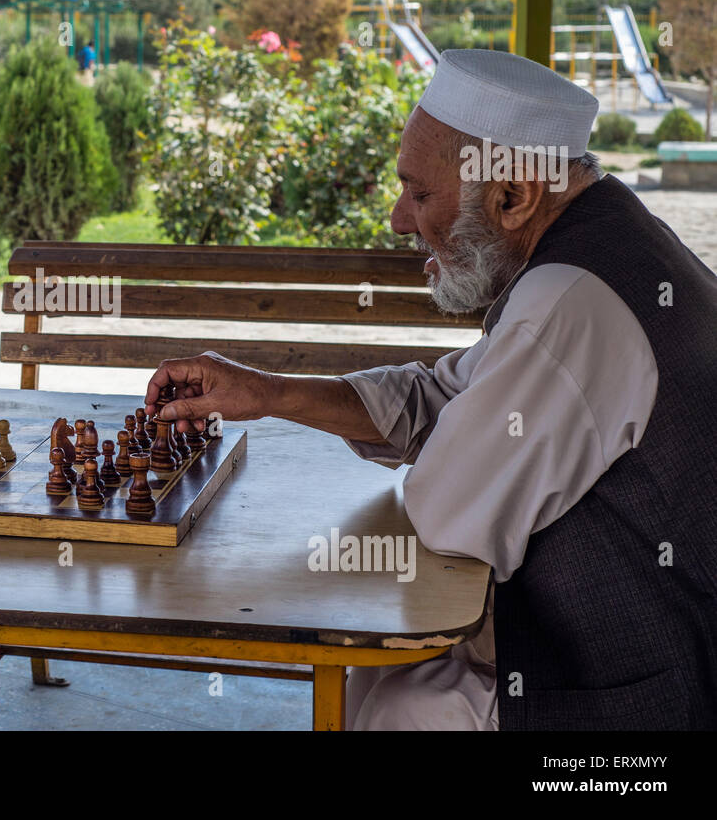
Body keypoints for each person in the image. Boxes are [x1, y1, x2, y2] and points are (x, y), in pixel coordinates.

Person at [146, 50, 717, 730]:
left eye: (420, 193)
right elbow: (442, 399)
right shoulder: (605, 238)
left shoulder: (569, 305)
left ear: (513, 196)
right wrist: (267, 393)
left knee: (405, 702)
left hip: (638, 701)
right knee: (390, 675)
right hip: (626, 647)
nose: (397, 218)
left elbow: (445, 511)